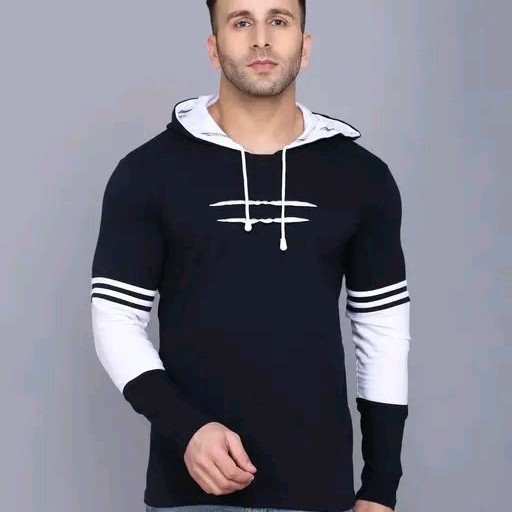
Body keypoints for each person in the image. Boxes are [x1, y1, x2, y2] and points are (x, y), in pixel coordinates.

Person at [90, 1, 412, 511]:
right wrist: (186, 429)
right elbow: (115, 320)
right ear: (213, 47)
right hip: (189, 496)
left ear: (305, 46)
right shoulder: (148, 173)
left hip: (318, 494)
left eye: (278, 21)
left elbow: (382, 330)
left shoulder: (362, 178)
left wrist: (380, 487)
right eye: (241, 22)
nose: (261, 38)